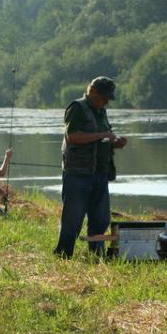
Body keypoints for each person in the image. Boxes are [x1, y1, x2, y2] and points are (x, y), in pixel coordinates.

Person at [54, 76, 129, 259]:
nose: (105, 102)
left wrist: (115, 143)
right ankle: (63, 254)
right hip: (78, 174)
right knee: (73, 218)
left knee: (101, 218)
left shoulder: (101, 111)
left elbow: (101, 140)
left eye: (107, 99)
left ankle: (97, 254)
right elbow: (73, 137)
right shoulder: (77, 108)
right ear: (92, 91)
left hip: (100, 173)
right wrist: (102, 135)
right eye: (102, 98)